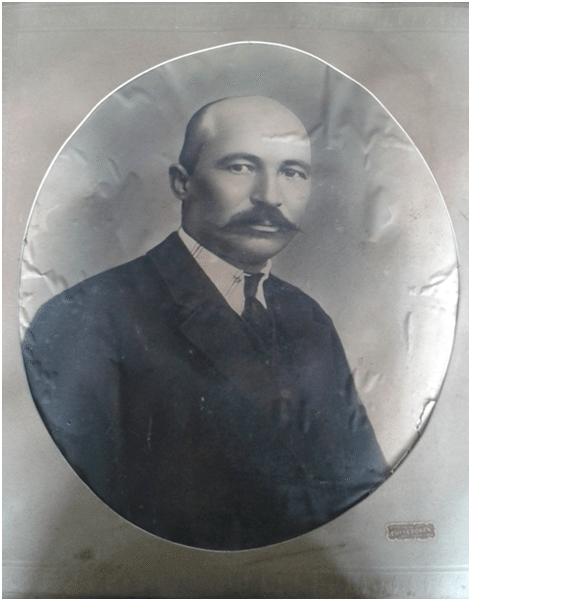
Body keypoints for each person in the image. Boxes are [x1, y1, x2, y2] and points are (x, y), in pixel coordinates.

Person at [22, 96, 388, 551]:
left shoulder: (308, 317)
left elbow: (363, 490)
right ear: (182, 182)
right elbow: (84, 527)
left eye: (293, 172)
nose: (270, 196)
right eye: (240, 167)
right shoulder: (87, 317)